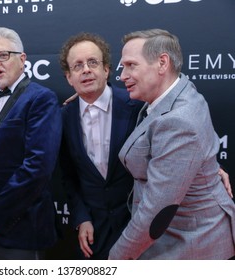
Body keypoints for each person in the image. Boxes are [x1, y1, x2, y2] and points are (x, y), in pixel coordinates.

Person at [109, 28, 235, 259]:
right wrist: (205, 168)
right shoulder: (179, 89)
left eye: (130, 65)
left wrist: (117, 259)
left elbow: (156, 212)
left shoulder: (178, 120)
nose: (122, 75)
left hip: (193, 246)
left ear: (162, 63)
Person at [0, 27, 62, 260]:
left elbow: (37, 167)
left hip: (22, 231)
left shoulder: (40, 99)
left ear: (22, 59)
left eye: (3, 55)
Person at [58, 32, 144, 259]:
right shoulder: (62, 118)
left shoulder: (137, 106)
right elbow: (68, 176)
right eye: (77, 66)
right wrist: (81, 218)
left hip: (139, 226)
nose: (86, 69)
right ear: (69, 77)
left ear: (106, 69)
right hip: (94, 232)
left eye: (92, 62)